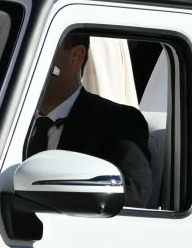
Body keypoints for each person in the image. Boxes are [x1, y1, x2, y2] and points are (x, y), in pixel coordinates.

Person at [24, 31, 154, 208]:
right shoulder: (8, 124)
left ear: (75, 57)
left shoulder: (118, 123)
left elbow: (132, 195)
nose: (21, 64)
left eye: (36, 50)